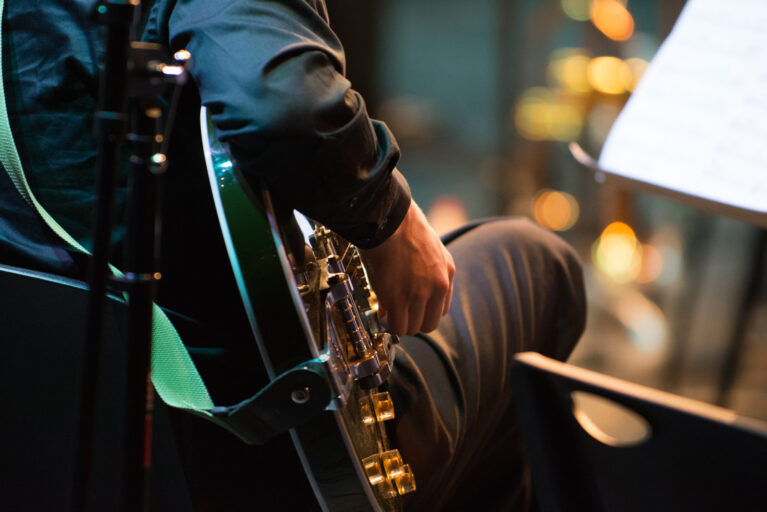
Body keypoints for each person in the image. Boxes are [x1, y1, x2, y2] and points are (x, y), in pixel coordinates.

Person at [0, 0, 586, 510]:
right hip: (231, 437)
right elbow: (283, 104)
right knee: (533, 263)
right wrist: (388, 215)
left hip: (40, 444)